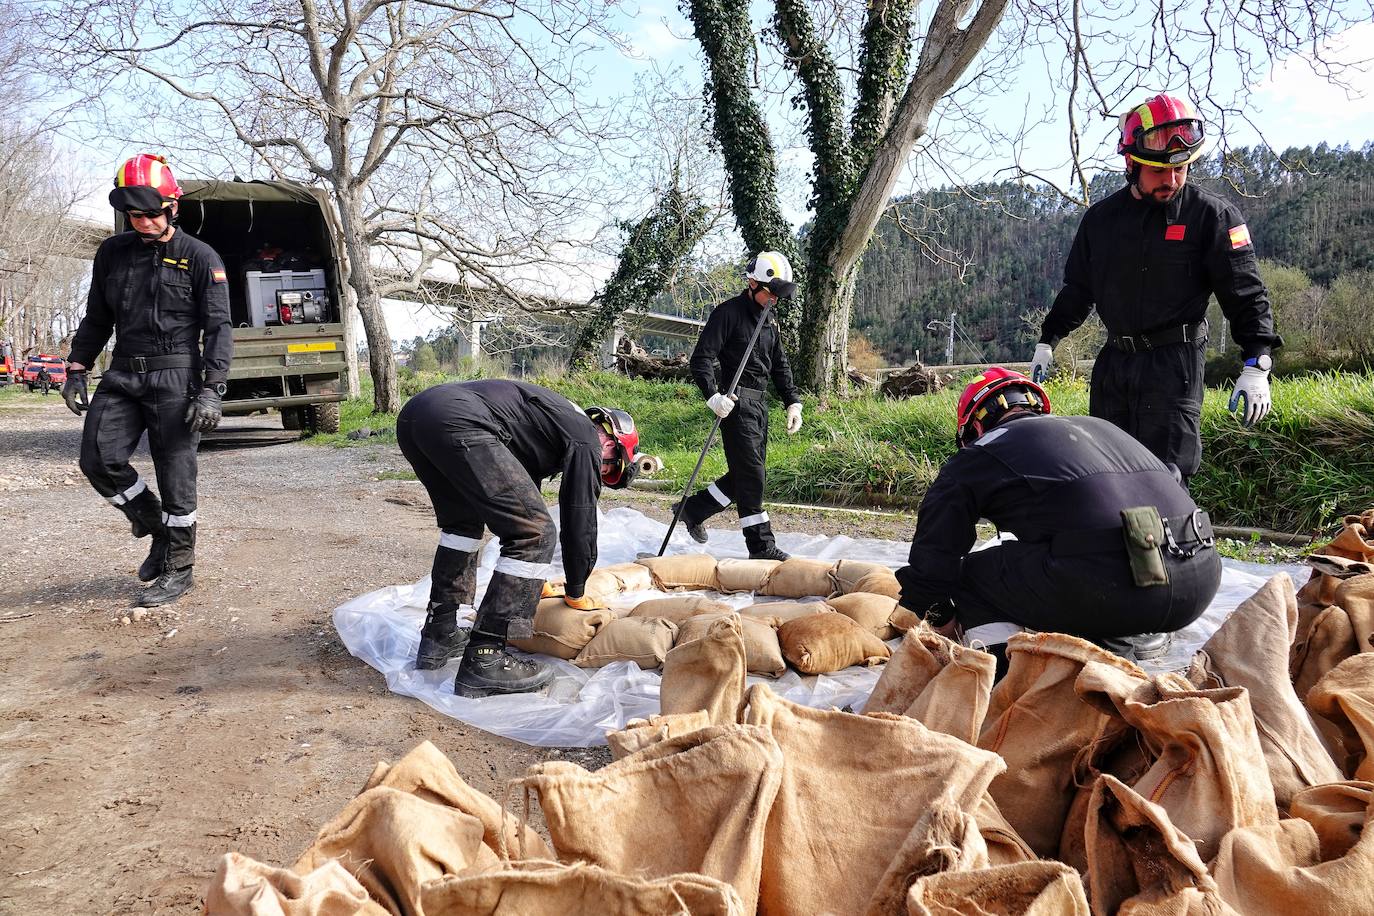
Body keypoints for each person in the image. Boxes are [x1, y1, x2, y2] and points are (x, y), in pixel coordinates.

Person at [895, 368, 1222, 679]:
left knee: (970, 575)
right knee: (1075, 557)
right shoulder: (1098, 428)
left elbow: (933, 555)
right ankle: (1116, 658)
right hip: (1199, 575)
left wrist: (939, 613)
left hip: (1113, 584)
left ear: (975, 429)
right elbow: (1170, 484)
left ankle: (999, 679)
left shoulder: (982, 450)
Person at [1030, 93, 1283, 484]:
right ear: (1131, 164)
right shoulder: (1101, 221)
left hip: (1174, 365)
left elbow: (1245, 293)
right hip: (1115, 365)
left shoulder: (1212, 216)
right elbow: (1079, 289)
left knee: (1165, 480)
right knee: (1106, 477)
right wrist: (1049, 339)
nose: (1171, 180)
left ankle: (1171, 546)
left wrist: (1257, 362)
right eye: (1158, 171)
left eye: (1180, 170)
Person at [395, 379, 641, 698]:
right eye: (607, 466)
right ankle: (487, 657)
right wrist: (577, 588)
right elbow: (579, 515)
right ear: (611, 441)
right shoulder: (585, 436)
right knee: (536, 533)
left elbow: (519, 503)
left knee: (463, 525)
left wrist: (534, 583)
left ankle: (440, 632)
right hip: (458, 419)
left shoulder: (549, 421)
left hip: (419, 415)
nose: (600, 468)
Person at [63, 153, 232, 606]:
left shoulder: (200, 257)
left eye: (152, 213)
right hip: (122, 373)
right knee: (98, 459)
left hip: (176, 376)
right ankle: (156, 527)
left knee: (177, 474)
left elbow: (218, 329)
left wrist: (212, 392)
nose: (143, 223)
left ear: (173, 207)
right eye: (134, 215)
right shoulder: (111, 254)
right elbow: (97, 316)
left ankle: (180, 567)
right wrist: (77, 367)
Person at [675, 251, 804, 561]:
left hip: (760, 407)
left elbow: (779, 364)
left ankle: (691, 510)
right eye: (770, 293)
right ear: (752, 283)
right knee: (753, 477)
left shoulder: (769, 318)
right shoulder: (728, 313)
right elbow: (702, 359)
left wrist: (793, 402)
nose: (774, 300)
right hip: (734, 404)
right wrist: (712, 396)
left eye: (778, 296)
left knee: (744, 475)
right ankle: (761, 546)